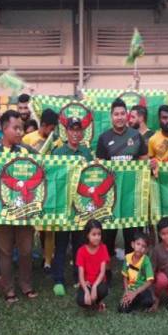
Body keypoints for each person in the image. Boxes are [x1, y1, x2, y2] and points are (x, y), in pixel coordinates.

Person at [95, 98, 148, 280]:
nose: (119, 117)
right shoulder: (104, 138)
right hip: (110, 199)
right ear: (111, 117)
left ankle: (131, 277)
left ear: (127, 115)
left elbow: (144, 163)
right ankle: (107, 275)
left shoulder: (136, 136)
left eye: (122, 114)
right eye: (115, 114)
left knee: (131, 240)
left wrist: (153, 164)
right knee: (108, 238)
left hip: (132, 198)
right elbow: (100, 169)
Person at [0, 110, 39, 303]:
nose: (20, 132)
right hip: (1, 213)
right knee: (6, 252)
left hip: (25, 210)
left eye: (21, 128)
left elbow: (46, 166)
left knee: (26, 250)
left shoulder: (28, 151)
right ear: (4, 129)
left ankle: (26, 285)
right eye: (16, 128)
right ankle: (9, 289)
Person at [51, 116, 93, 296]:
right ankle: (58, 279)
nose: (75, 133)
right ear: (66, 131)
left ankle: (78, 277)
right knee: (60, 244)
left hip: (81, 208)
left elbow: (93, 176)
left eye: (78, 130)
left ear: (82, 132)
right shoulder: (58, 153)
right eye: (72, 130)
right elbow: (52, 179)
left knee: (79, 244)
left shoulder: (86, 153)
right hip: (62, 207)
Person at [22, 108, 59, 270]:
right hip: (31, 189)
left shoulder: (56, 141)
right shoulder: (28, 139)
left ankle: (48, 261)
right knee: (30, 225)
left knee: (49, 226)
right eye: (51, 128)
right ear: (43, 125)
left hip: (50, 188)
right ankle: (27, 258)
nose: (53, 132)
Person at [76, 219, 109, 311]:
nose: (97, 237)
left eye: (99, 234)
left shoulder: (103, 248)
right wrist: (86, 291)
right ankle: (94, 303)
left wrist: (94, 286)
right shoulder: (81, 251)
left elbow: (102, 272)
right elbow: (81, 276)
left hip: (98, 283)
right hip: (86, 283)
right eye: (94, 234)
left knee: (103, 290)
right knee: (81, 300)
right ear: (87, 235)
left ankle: (98, 302)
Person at [118, 231, 154, 313]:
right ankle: (132, 303)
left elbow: (150, 281)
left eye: (143, 246)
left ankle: (135, 302)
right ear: (133, 244)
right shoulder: (127, 257)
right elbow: (125, 277)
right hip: (130, 289)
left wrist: (135, 293)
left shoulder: (146, 260)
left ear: (146, 250)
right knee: (121, 309)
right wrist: (126, 292)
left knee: (148, 301)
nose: (140, 248)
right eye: (138, 244)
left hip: (141, 289)